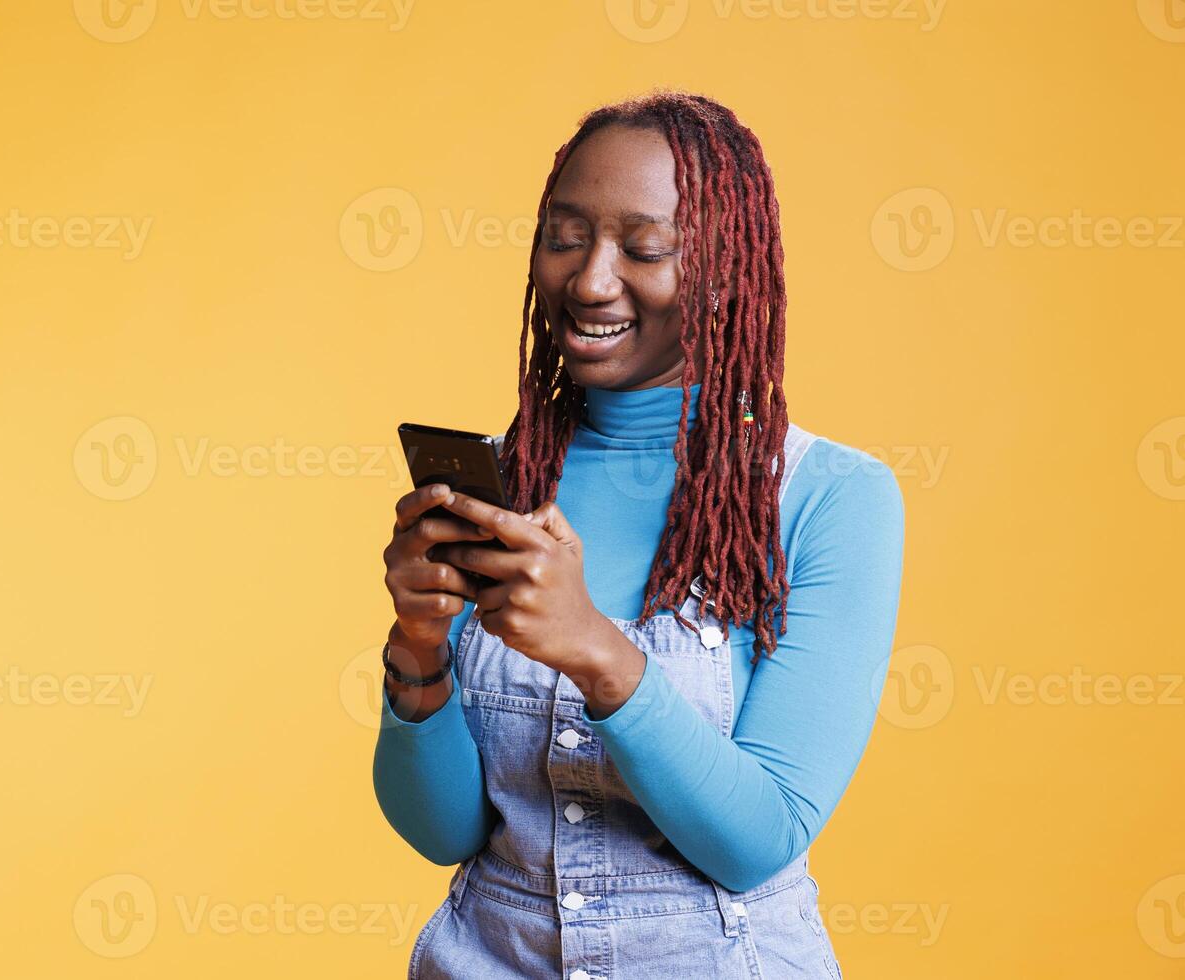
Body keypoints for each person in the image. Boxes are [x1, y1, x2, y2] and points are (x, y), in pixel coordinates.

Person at [373, 89, 905, 979]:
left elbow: (757, 838)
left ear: (727, 269)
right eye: (566, 236)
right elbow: (445, 833)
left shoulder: (830, 497)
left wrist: (595, 650)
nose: (589, 281)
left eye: (644, 248)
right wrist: (419, 651)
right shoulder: (504, 481)